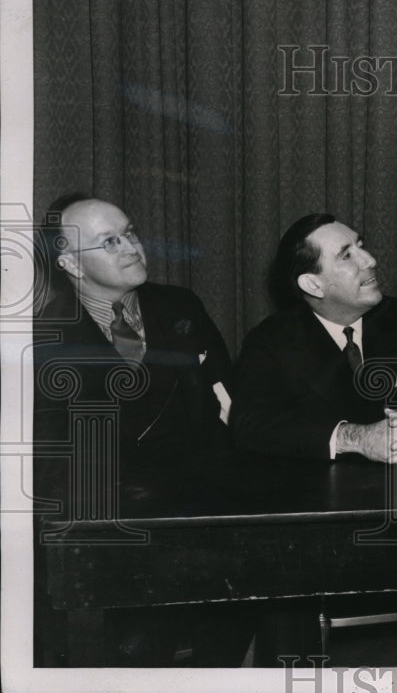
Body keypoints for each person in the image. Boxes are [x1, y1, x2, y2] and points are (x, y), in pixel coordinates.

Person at [230, 213, 397, 665]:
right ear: (313, 283)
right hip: (318, 526)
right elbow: (249, 424)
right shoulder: (272, 342)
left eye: (361, 244)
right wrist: (355, 437)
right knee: (282, 588)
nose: (370, 259)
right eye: (347, 255)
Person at [33, 193, 252, 666]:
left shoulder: (180, 305)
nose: (131, 246)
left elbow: (230, 407)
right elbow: (54, 468)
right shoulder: (44, 339)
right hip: (116, 536)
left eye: (129, 232)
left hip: (206, 518)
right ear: (70, 263)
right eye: (108, 242)